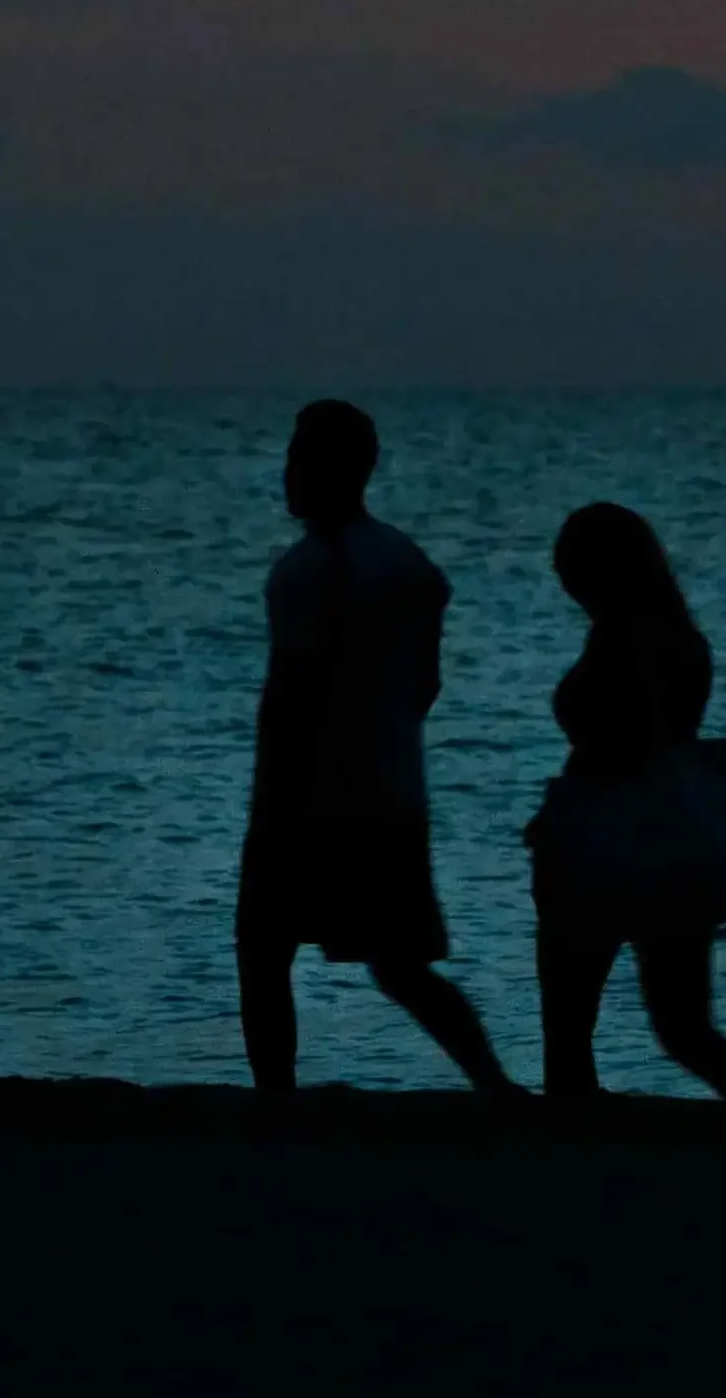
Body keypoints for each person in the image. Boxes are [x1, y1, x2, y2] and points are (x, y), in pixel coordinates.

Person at [237, 400, 516, 1096]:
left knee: (263, 950)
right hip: (392, 791)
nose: (289, 472)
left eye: (301, 457)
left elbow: (290, 694)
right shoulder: (409, 564)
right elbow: (425, 686)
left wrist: (272, 797)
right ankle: (493, 1082)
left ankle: (276, 1100)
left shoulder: (303, 572)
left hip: (308, 797)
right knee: (399, 963)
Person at [527, 502, 726, 1105]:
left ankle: (572, 1142)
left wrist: (559, 816)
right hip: (673, 841)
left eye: (572, 570)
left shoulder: (624, 639)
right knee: (685, 1028)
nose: (566, 584)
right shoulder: (681, 638)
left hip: (603, 841)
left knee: (570, 1028)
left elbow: (625, 741)